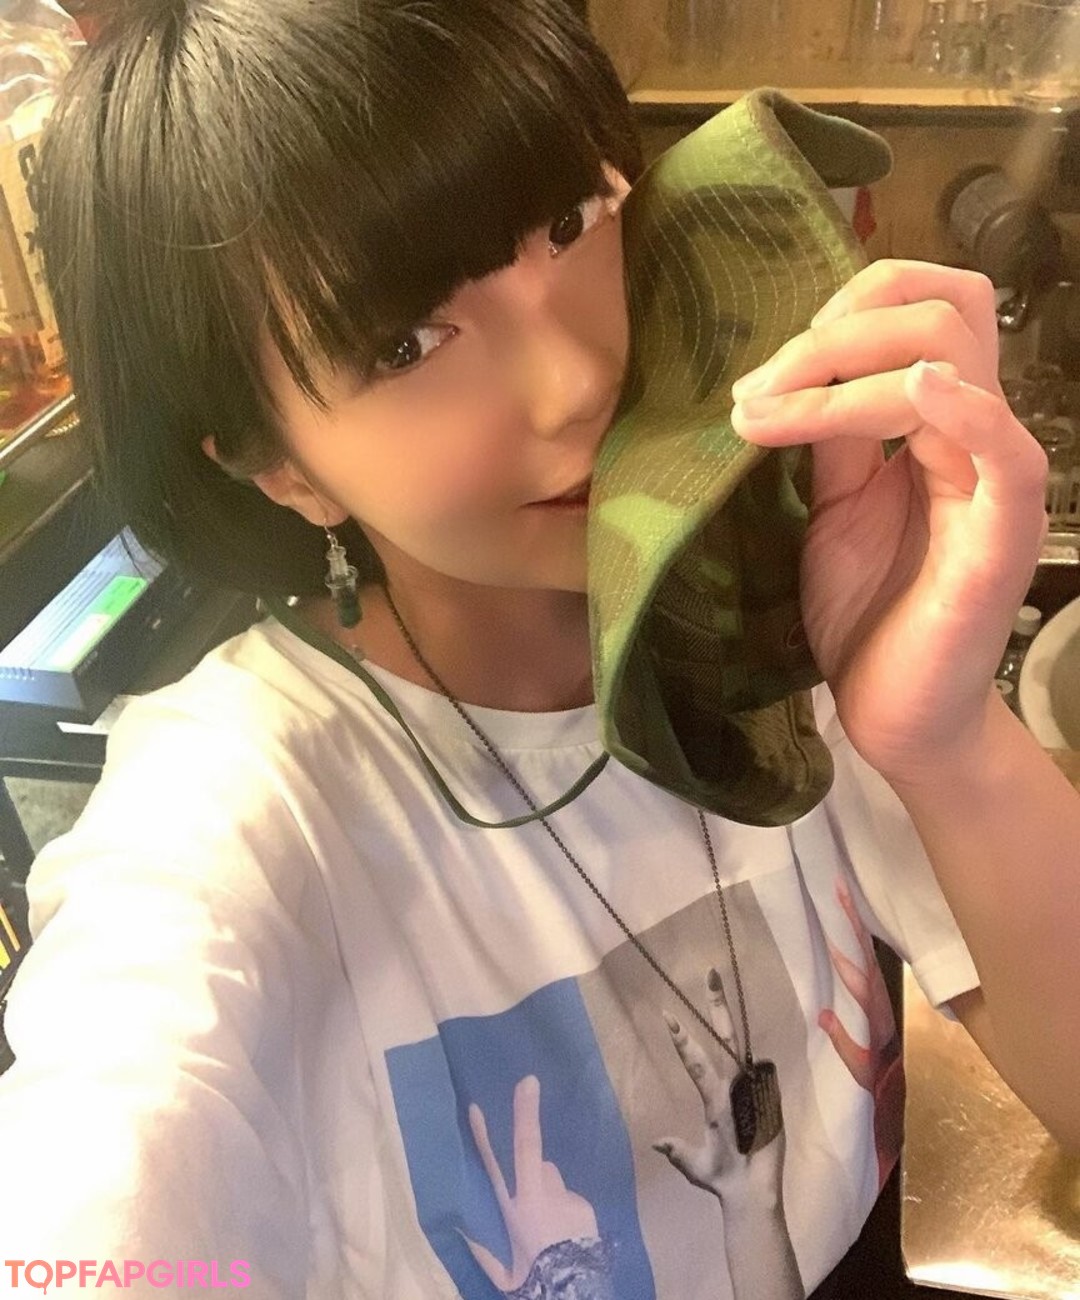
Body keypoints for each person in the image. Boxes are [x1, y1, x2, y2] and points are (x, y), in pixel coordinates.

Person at [0, 1, 1078, 1296]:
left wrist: (946, 742)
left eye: (570, 223)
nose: (574, 382)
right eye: (407, 343)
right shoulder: (232, 821)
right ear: (282, 466)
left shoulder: (771, 598)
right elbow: (95, 1175)